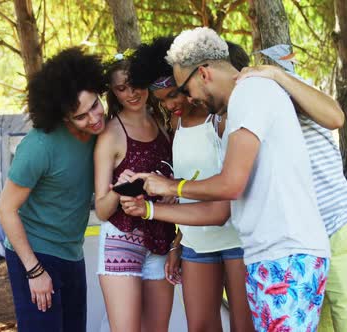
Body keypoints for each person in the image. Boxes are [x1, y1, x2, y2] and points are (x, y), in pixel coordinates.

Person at [121, 27, 331, 331]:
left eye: (184, 88)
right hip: (267, 255)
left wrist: (171, 185)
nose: (187, 98)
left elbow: (230, 185)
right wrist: (150, 210)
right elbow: (220, 209)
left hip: (286, 254)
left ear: (203, 73)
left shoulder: (250, 92)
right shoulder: (237, 110)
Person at [127, 37, 253, 332]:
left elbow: (215, 192)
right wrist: (177, 244)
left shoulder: (218, 117)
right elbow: (188, 186)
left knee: (244, 326)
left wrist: (154, 205)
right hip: (197, 242)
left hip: (237, 239)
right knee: (200, 326)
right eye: (163, 101)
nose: (171, 104)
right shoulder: (175, 123)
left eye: (175, 94)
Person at [0, 47, 106, 332]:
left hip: (72, 252)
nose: (93, 118)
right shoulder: (39, 147)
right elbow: (5, 210)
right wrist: (34, 271)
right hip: (35, 253)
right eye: (81, 116)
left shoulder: (101, 135)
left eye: (94, 105)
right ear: (63, 117)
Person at [235, 65, 347, 332]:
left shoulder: (273, 86)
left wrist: (277, 75)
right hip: (298, 242)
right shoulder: (239, 113)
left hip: (335, 224)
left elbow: (335, 117)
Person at [93, 53, 175, 331]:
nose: (131, 93)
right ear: (113, 93)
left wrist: (172, 192)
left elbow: (172, 180)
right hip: (122, 239)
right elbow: (103, 210)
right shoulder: (111, 134)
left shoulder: (163, 123)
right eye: (121, 88)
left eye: (135, 84)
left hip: (162, 238)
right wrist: (119, 189)